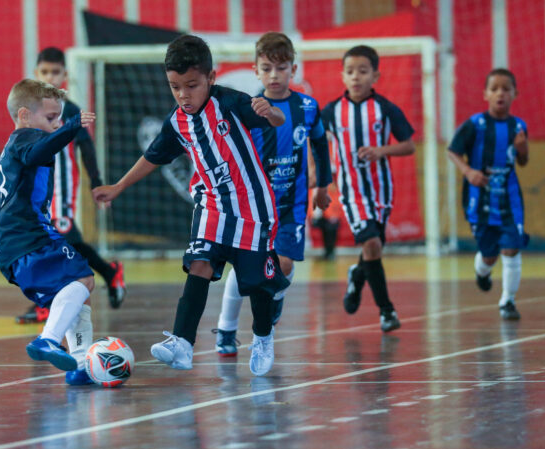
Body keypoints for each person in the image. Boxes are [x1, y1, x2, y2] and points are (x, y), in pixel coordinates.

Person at [93, 35, 290, 376]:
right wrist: (119, 186)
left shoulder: (230, 102)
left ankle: (262, 337)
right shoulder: (176, 121)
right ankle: (182, 344)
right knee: (199, 265)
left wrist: (271, 113)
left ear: (211, 78)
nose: (183, 95)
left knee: (256, 284)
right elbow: (152, 156)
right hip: (211, 204)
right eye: (175, 87)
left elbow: (274, 121)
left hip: (252, 207)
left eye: (192, 85)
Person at [212, 32, 332, 356]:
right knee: (245, 270)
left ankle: (276, 297)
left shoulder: (307, 106)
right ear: (256, 70)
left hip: (292, 202)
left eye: (281, 68)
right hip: (253, 205)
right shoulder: (247, 108)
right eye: (267, 68)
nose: (274, 75)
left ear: (294, 69)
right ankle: (226, 328)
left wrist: (322, 184)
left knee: (285, 263)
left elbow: (320, 144)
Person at [0, 79, 99, 385]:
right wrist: (70, 128)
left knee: (75, 294)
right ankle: (47, 339)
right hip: (30, 236)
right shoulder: (27, 138)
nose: (55, 124)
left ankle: (79, 365)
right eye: (51, 118)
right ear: (24, 115)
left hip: (9, 246)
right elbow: (38, 153)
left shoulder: (11, 146)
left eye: (59, 118)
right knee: (84, 278)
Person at [16, 47, 126, 324]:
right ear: (36, 75)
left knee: (65, 241)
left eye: (55, 72)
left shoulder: (72, 110)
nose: (50, 77)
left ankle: (50, 301)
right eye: (44, 72)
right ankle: (108, 272)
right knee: (40, 243)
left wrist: (97, 183)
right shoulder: (28, 111)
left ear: (64, 75)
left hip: (61, 190)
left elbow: (87, 149)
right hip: (36, 190)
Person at [321, 45, 416, 333]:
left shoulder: (385, 109)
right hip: (352, 192)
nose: (356, 77)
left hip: (381, 192)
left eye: (363, 71)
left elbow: (408, 145)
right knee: (373, 244)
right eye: (350, 72)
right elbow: (315, 144)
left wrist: (381, 150)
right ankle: (387, 311)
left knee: (373, 246)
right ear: (342, 76)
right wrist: (319, 176)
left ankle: (357, 275)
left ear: (375, 75)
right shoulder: (332, 111)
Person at [447, 68, 528, 321]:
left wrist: (523, 149)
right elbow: (452, 151)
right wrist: (468, 170)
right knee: (489, 254)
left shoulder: (519, 126)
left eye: (506, 89)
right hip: (479, 198)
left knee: (512, 247)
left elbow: (523, 161)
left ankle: (508, 301)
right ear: (485, 94)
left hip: (509, 197)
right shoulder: (475, 124)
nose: (500, 93)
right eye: (494, 89)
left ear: (515, 93)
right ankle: (482, 272)